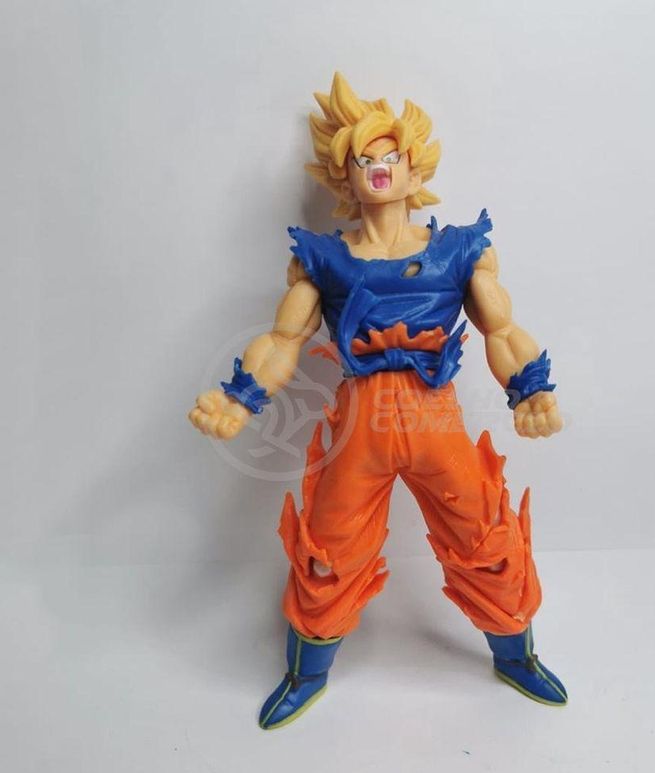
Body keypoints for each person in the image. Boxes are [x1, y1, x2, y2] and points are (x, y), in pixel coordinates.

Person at [189, 73, 567, 730]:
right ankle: (306, 673)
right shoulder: (324, 260)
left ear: (415, 167)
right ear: (346, 175)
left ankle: (516, 655)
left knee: (486, 538)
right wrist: (239, 398)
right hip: (360, 424)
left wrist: (529, 389)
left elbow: (501, 329)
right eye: (363, 159)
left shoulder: (461, 251)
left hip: (433, 419)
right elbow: (282, 340)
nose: (378, 169)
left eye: (389, 156)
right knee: (327, 550)